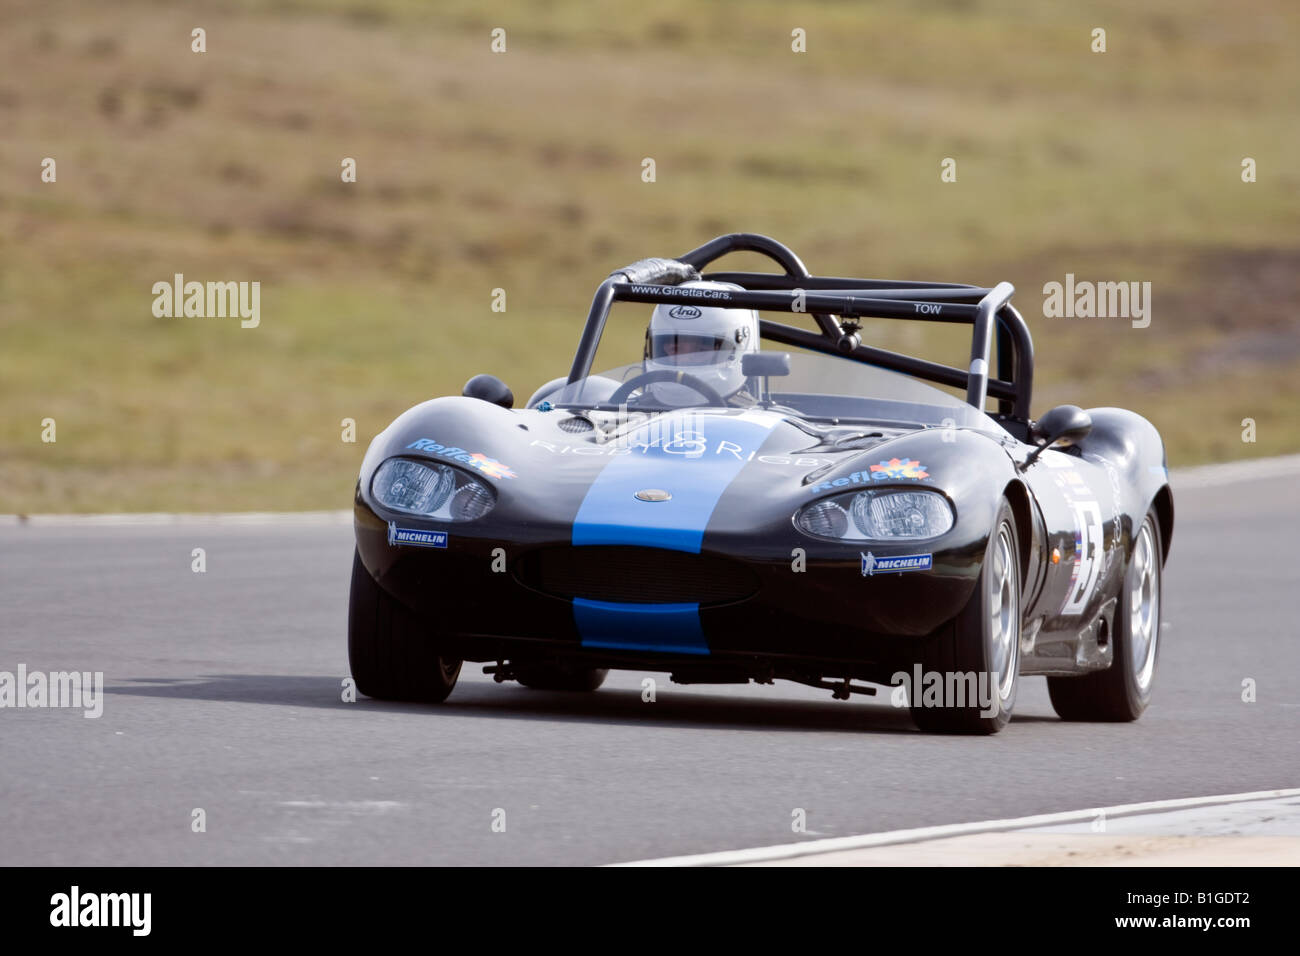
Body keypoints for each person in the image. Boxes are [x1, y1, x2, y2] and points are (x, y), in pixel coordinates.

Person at [640, 280, 760, 406]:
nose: (683, 360)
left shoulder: (755, 421)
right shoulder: (635, 415)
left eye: (701, 350)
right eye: (675, 349)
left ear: (738, 350)